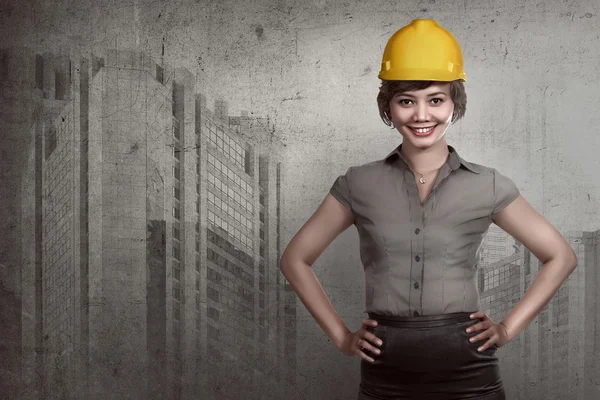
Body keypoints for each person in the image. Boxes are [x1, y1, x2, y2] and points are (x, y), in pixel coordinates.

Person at [279, 19, 577, 399]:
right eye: (407, 101)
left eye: (436, 100)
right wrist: (341, 338)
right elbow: (295, 259)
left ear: (455, 104)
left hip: (470, 372)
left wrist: (505, 329)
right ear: (388, 105)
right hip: (385, 373)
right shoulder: (358, 183)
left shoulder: (487, 184)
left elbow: (561, 257)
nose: (422, 115)